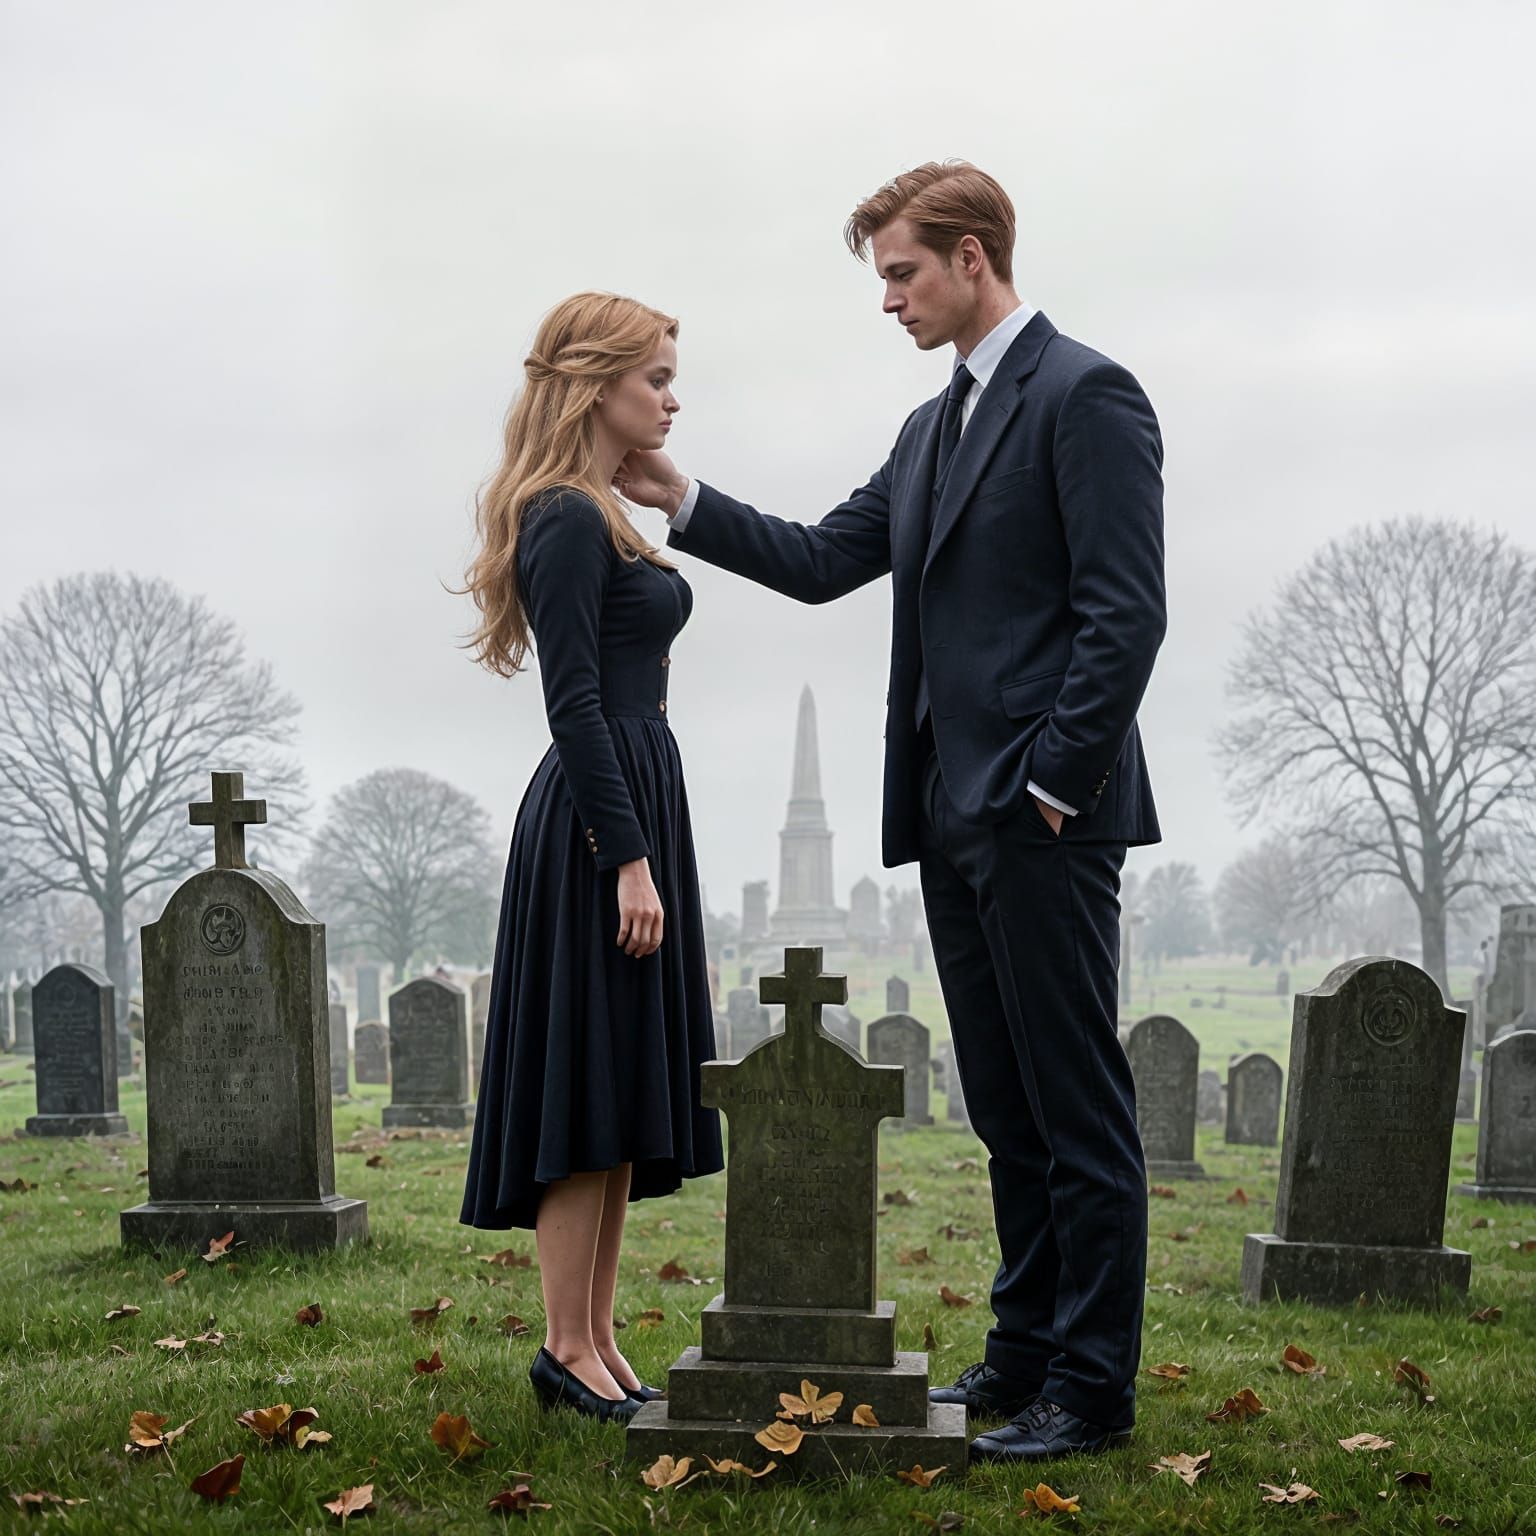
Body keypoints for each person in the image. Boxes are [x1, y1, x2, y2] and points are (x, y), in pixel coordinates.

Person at [619, 161, 1165, 1463]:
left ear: (974, 258)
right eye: (883, 280)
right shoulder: (933, 432)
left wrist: (1048, 786)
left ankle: (1092, 1390)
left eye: (903, 273)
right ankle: (1024, 1353)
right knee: (1003, 1110)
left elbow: (1124, 612)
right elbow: (820, 561)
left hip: (1043, 818)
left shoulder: (1086, 395)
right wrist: (678, 498)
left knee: (1075, 1108)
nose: (891, 302)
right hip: (946, 818)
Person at [458, 291, 723, 1425]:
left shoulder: (606, 512)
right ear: (596, 382)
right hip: (595, 824)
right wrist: (627, 858)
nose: (672, 395)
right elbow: (571, 702)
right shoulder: (564, 515)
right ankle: (563, 1346)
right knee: (585, 1086)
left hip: (633, 801)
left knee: (617, 1082)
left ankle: (598, 1340)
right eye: (656, 376)